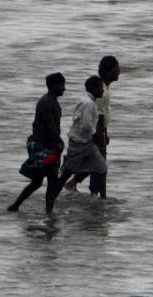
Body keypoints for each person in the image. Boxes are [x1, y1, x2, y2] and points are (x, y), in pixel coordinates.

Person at [7, 73, 66, 213]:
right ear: (53, 86)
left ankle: (19, 206)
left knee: (43, 181)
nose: (64, 88)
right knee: (45, 180)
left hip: (47, 145)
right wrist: (59, 142)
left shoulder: (50, 101)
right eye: (61, 85)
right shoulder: (47, 103)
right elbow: (50, 125)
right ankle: (46, 211)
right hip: (45, 146)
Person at [47, 76, 108, 210]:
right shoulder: (88, 103)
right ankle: (51, 199)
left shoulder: (89, 102)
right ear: (93, 89)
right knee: (66, 173)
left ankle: (96, 198)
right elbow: (86, 125)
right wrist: (96, 136)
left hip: (87, 144)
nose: (102, 91)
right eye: (100, 88)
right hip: (79, 143)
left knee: (101, 168)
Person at [69, 56, 120, 197]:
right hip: (95, 133)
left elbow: (103, 114)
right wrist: (101, 137)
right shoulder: (101, 91)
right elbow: (99, 116)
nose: (119, 73)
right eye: (116, 70)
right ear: (108, 71)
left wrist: (106, 133)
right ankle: (97, 193)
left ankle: (76, 183)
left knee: (94, 162)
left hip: (98, 132)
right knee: (99, 164)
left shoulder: (104, 89)